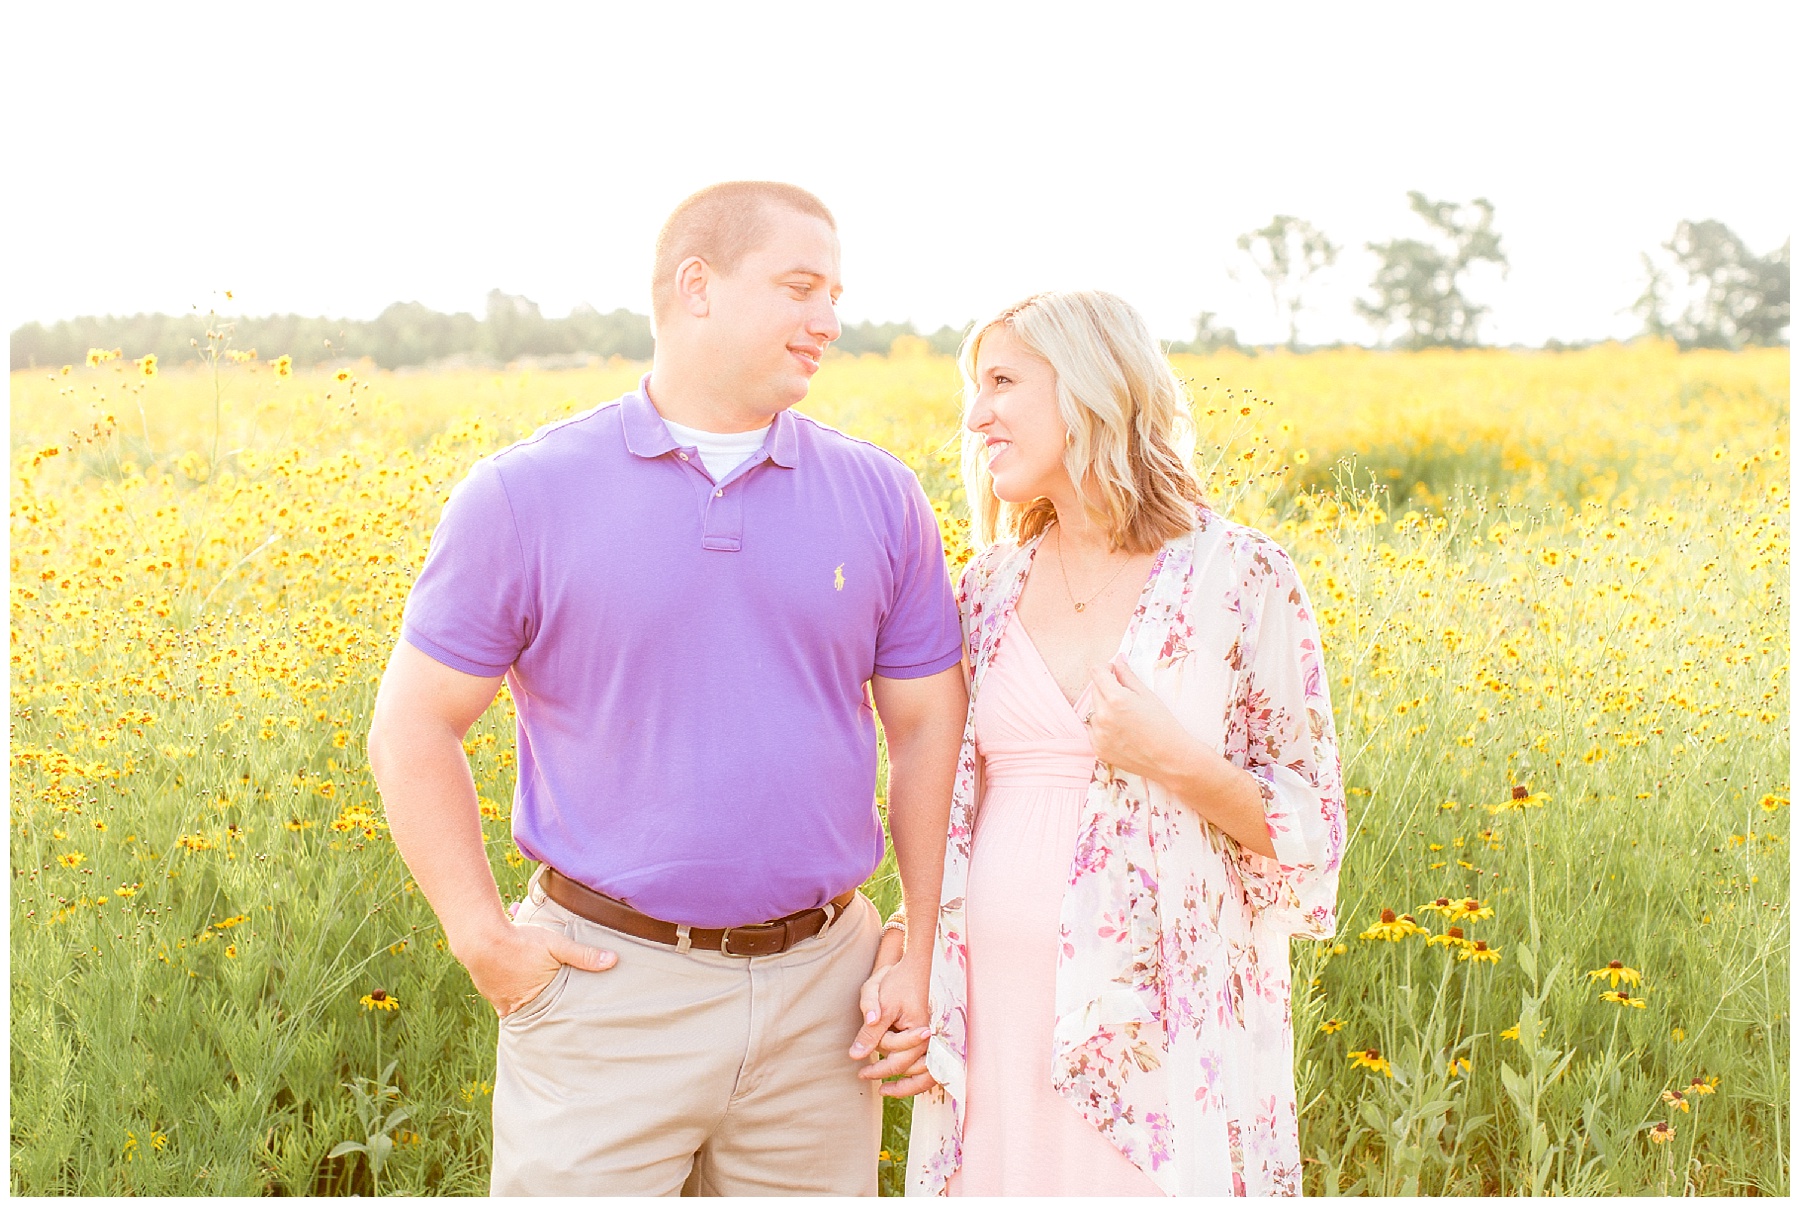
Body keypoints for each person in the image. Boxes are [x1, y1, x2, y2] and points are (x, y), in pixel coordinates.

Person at [367, 181, 965, 1196]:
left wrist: (918, 940)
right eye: (799, 286)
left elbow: (929, 727)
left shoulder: (881, 496)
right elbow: (413, 725)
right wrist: (482, 939)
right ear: (698, 286)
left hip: (825, 996)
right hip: (607, 995)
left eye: (834, 291)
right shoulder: (524, 494)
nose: (828, 319)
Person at [865, 290, 1345, 1195]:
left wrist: (1176, 759)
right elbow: (957, 800)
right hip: (997, 1014)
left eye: (1002, 381)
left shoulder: (1239, 577)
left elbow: (1311, 831)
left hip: (1164, 1034)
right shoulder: (986, 587)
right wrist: (908, 938)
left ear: (1087, 387)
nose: (975, 415)